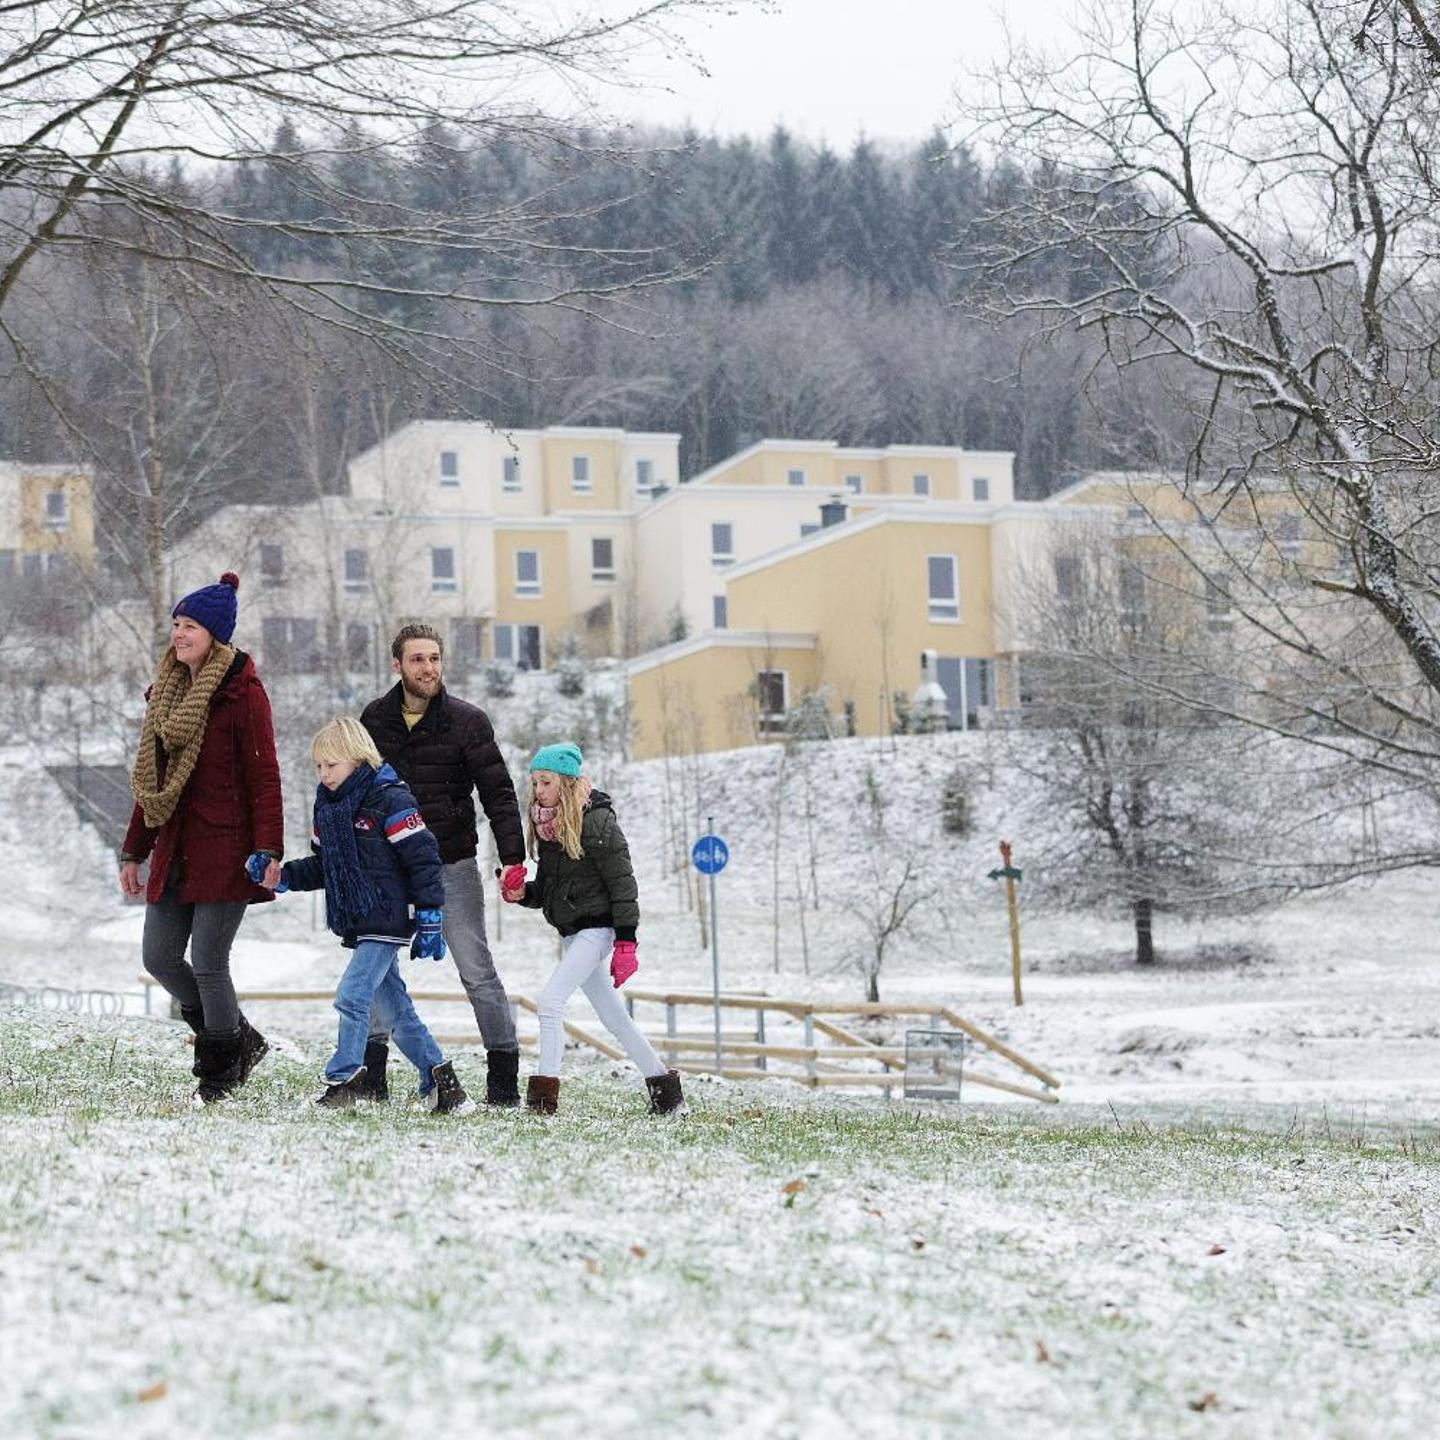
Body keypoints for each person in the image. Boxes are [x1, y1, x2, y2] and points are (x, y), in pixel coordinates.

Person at [119, 571, 283, 1105]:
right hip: (176, 847)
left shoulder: (243, 695)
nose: (179, 634)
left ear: (215, 634)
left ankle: (217, 1076)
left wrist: (268, 849)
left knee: (211, 962)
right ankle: (242, 1039)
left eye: (190, 625)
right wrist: (134, 850)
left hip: (228, 850)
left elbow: (264, 778)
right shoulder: (164, 694)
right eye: (176, 624)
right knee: (160, 957)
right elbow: (154, 783)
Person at [257, 717, 473, 1114]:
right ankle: (445, 1086)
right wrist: (282, 877)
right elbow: (326, 866)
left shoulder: (390, 799)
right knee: (395, 1011)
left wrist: (429, 915)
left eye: (332, 765)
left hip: (388, 917)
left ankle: (345, 1079)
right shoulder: (329, 807)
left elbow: (423, 859)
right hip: (361, 920)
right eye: (319, 766)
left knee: (352, 996)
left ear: (357, 759)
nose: (324, 774)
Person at [360, 623, 526, 1106]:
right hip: (388, 869)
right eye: (417, 659)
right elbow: (356, 790)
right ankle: (372, 1078)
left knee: (477, 970)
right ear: (398, 665)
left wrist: (512, 858)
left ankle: (503, 1084)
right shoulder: (374, 720)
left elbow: (497, 791)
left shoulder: (467, 721)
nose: (428, 668)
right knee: (374, 966)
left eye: (434, 658)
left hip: (449, 862)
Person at [502, 742, 684, 1117]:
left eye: (546, 782)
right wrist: (522, 893)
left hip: (598, 930)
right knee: (614, 1018)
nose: (538, 790)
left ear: (566, 783)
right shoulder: (549, 826)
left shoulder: (597, 820)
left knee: (550, 1002)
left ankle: (541, 1103)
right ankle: (668, 1097)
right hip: (573, 932)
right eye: (535, 782)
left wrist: (626, 942)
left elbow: (622, 883)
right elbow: (555, 891)